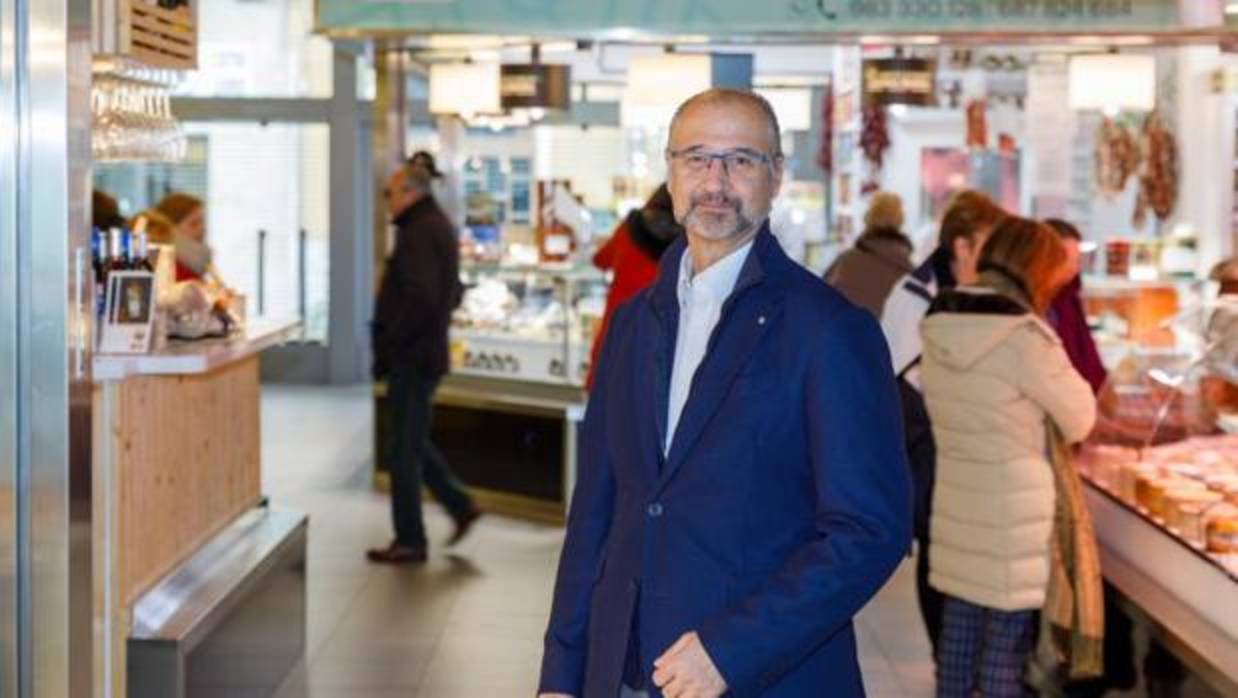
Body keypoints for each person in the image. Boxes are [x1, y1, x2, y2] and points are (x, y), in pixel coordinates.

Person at [538, 89, 911, 698]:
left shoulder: (830, 331)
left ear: (776, 177)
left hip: (766, 676)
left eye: (741, 160)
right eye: (697, 159)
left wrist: (732, 650)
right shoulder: (633, 323)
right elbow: (596, 513)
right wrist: (562, 670)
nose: (715, 181)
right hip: (627, 672)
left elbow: (869, 531)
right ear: (670, 171)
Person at [919, 217, 1098, 698]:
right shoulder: (1024, 336)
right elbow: (1081, 417)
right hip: (1014, 520)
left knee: (957, 645)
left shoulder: (938, 320)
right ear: (1035, 268)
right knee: (1004, 651)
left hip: (957, 507)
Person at [877, 189, 1006, 658]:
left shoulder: (983, 291)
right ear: (963, 246)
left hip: (968, 447)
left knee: (964, 556)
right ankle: (947, 660)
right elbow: (911, 374)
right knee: (938, 550)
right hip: (930, 443)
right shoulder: (915, 295)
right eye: (988, 246)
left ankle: (963, 661)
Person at [368, 153, 480, 564]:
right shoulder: (431, 226)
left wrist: (392, 338)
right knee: (410, 441)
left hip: (413, 357)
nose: (387, 201)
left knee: (403, 452)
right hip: (422, 353)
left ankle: (411, 539)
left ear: (410, 193)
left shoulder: (419, 232)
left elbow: (422, 297)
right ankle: (459, 504)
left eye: (390, 192)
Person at [587, 184, 682, 389]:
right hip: (659, 346)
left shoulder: (630, 227)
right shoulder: (689, 244)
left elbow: (599, 260)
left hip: (617, 334)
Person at [823, 190, 914, 318]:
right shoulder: (911, 276)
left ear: (867, 219)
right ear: (900, 222)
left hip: (847, 335)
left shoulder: (845, 263)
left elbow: (819, 304)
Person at [1045, 219, 1108, 395]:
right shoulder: (1038, 301)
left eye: (1076, 259)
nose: (1073, 267)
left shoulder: (1071, 296)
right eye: (1066, 258)